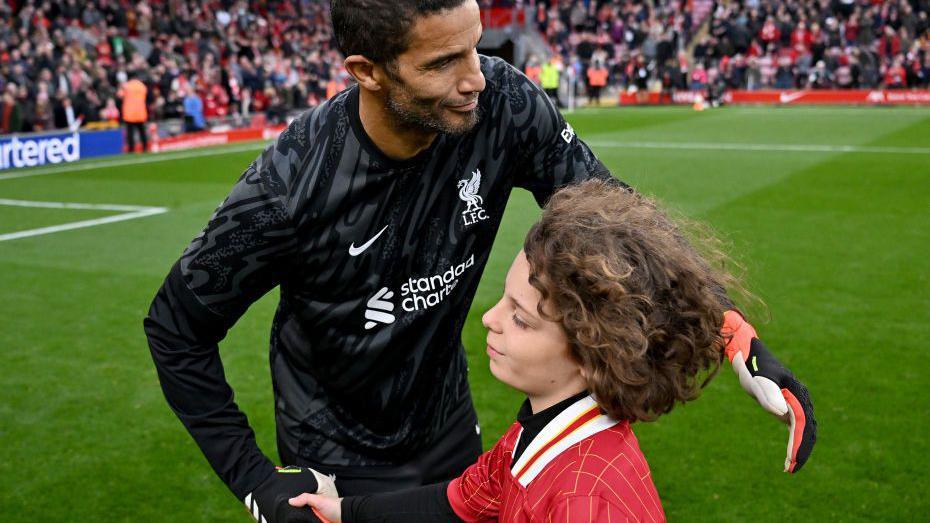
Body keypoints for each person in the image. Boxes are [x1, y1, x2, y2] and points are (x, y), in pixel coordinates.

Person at [143, 2, 816, 522]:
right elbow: (175, 328)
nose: (474, 80)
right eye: (441, 64)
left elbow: (617, 220)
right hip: (334, 455)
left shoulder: (503, 103)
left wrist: (731, 329)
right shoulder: (291, 187)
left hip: (453, 435)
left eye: (476, 46)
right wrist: (255, 480)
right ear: (367, 71)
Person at [293, 180, 804, 522]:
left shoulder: (583, 501)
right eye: (503, 299)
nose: (489, 319)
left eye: (520, 318)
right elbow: (460, 500)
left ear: (591, 352)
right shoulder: (536, 433)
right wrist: (346, 509)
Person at [118, 72, 148, 152]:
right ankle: (145, 147)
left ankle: (131, 149)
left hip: (129, 113)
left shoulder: (126, 86)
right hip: (141, 112)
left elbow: (120, 95)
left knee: (130, 132)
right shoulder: (142, 86)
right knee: (142, 131)